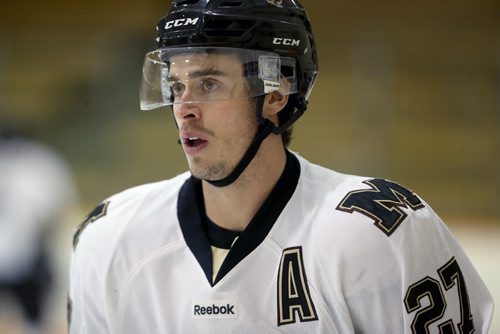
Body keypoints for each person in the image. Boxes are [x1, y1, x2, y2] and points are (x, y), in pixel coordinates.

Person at [68, 0, 494, 333]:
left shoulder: (378, 230)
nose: (185, 109)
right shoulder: (108, 238)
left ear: (276, 94)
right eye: (177, 86)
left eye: (209, 84)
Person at [0, 121, 77, 334]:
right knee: (33, 321)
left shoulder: (36, 163)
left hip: (22, 256)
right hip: (25, 256)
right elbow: (55, 209)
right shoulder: (39, 162)